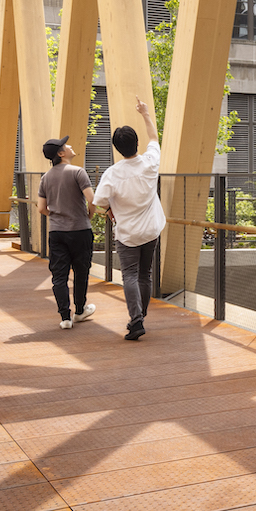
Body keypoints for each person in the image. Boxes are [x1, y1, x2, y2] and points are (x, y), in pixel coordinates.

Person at [93, 99, 166, 342]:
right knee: (145, 274)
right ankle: (141, 315)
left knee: (130, 276)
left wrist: (111, 211)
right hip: (151, 230)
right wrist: (145, 113)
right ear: (137, 144)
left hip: (127, 234)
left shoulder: (112, 174)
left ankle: (136, 320)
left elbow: (99, 202)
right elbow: (154, 139)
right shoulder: (149, 163)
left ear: (117, 148)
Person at [36, 135, 96, 329]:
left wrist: (55, 215)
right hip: (80, 230)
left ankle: (65, 317)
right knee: (81, 271)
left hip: (57, 232)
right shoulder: (78, 172)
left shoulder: (46, 178)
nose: (70, 145)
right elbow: (92, 199)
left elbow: (41, 208)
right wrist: (89, 215)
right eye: (66, 145)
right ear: (61, 153)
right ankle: (80, 311)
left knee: (59, 276)